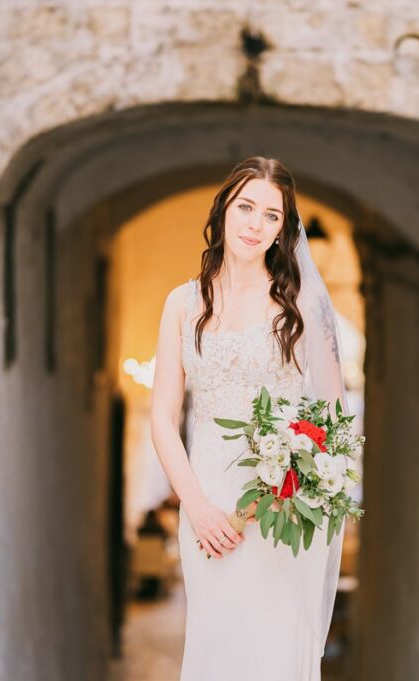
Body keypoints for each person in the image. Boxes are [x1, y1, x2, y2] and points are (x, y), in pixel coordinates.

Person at [150, 156, 348, 681]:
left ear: (284, 230)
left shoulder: (300, 306)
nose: (255, 224)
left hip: (278, 506)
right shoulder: (181, 303)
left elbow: (329, 424)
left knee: (272, 652)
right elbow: (163, 419)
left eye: (271, 216)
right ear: (222, 210)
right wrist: (198, 508)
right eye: (246, 208)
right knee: (217, 648)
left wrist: (276, 492)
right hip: (205, 502)